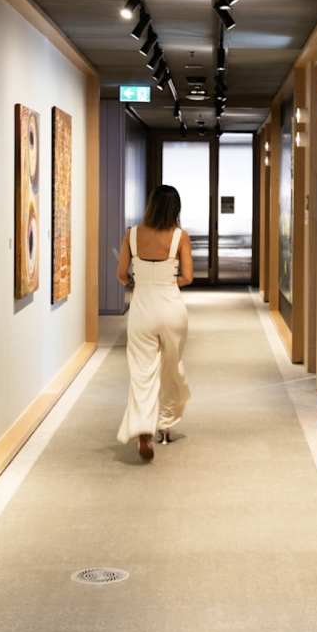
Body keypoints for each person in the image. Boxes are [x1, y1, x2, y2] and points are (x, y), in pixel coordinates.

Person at [115, 185, 194, 461]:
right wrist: (166, 280)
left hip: (142, 310)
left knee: (142, 371)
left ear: (151, 206)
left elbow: (121, 274)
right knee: (171, 367)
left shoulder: (132, 235)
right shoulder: (181, 237)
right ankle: (166, 426)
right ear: (175, 209)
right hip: (172, 308)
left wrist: (136, 281)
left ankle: (143, 429)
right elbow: (187, 277)